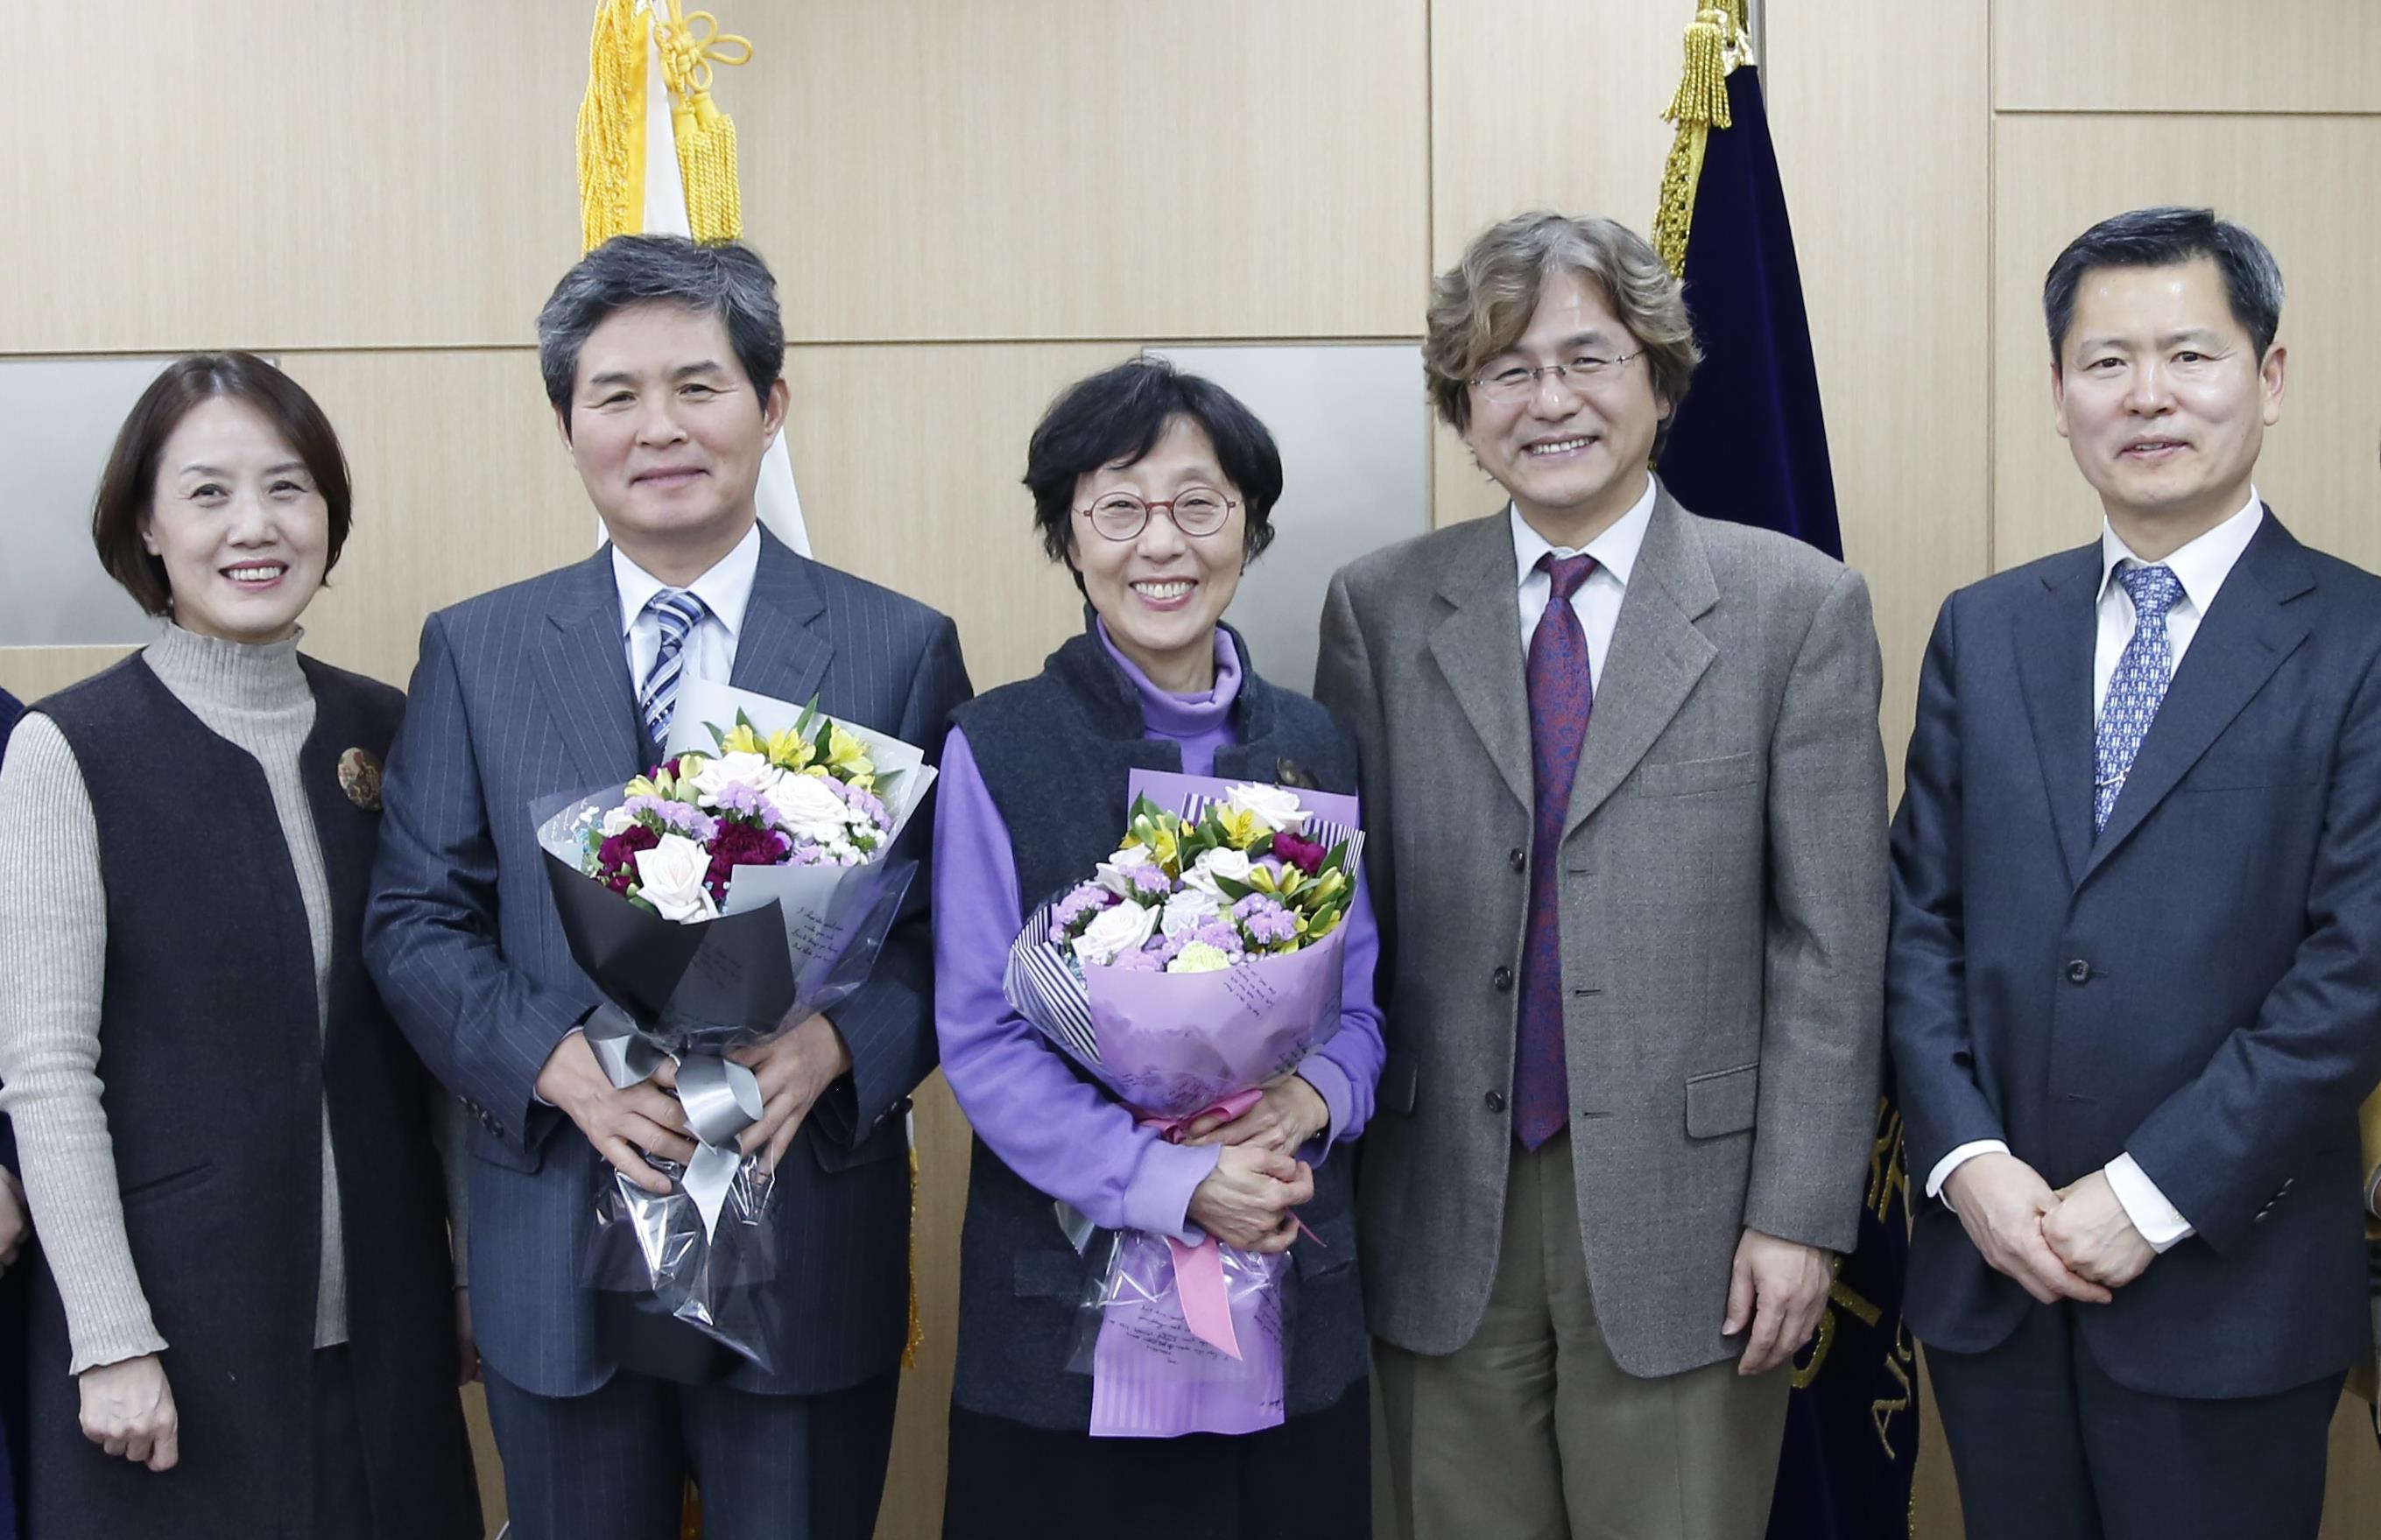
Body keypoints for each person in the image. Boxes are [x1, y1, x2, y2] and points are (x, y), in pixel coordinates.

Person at [365, 234, 971, 1540]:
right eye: (616, 395)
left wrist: (835, 1046)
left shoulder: (895, 648)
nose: (661, 428)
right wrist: (560, 1071)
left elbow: (950, 930)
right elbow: (416, 920)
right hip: (559, 1231)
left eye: (699, 386)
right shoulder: (478, 652)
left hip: (800, 1212)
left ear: (771, 405)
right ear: (569, 423)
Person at [1314, 211, 1888, 1540]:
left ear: (1661, 379)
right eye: (1506, 369)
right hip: (1438, 1197)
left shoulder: (1793, 607)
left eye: (1589, 358)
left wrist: (1800, 1217)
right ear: (1464, 406)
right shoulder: (1382, 609)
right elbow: (1345, 918)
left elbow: (1832, 946)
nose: (1550, 400)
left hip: (1696, 1217)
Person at [1888, 206, 2381, 1540]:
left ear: (2268, 378)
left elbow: (2357, 977)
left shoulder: (2361, 638)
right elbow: (1915, 923)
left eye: (2190, 355)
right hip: (1999, 1270)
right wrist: (1967, 1163)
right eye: (2106, 362)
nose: (2147, 396)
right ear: (2058, 398)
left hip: (2232, 1278)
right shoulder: (1986, 630)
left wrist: (2146, 1196)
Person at [0, 354, 479, 1537]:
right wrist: (110, 1339)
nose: (255, 525)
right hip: (170, 1341)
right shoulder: (71, 749)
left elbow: (441, 1033)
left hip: (390, 1323)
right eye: (208, 493)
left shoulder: (394, 726)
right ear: (147, 527)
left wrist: (474, 1280)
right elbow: (49, 1070)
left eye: (289, 486)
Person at [932, 358, 1384, 1538]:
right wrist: (1180, 1186)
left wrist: (1307, 1104)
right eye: (1117, 507)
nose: (1160, 543)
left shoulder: (1315, 744)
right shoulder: (1000, 743)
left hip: (1289, 1288)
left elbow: (1364, 1009)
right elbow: (983, 1037)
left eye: (1200, 502)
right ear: (1069, 538)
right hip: (1064, 1325)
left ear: (1250, 527)